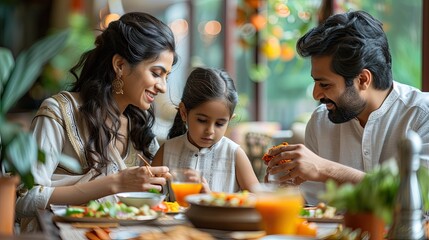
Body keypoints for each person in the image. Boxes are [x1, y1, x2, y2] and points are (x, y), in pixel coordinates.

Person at [15, 12, 178, 231]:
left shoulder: (139, 127)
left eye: (166, 76)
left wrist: (177, 183)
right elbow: (24, 199)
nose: (163, 87)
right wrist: (115, 183)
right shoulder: (60, 112)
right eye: (156, 73)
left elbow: (156, 197)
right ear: (120, 65)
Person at [265, 10, 429, 205]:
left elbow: (420, 200)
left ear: (362, 79)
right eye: (315, 83)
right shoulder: (319, 122)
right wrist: (285, 189)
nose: (316, 94)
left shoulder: (422, 114)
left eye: (325, 85)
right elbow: (314, 209)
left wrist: (325, 170)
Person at [151, 67, 259, 193]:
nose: (210, 131)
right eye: (202, 120)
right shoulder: (167, 151)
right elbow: (150, 194)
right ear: (184, 112)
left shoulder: (234, 154)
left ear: (229, 120)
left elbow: (258, 199)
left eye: (220, 123)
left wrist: (211, 198)